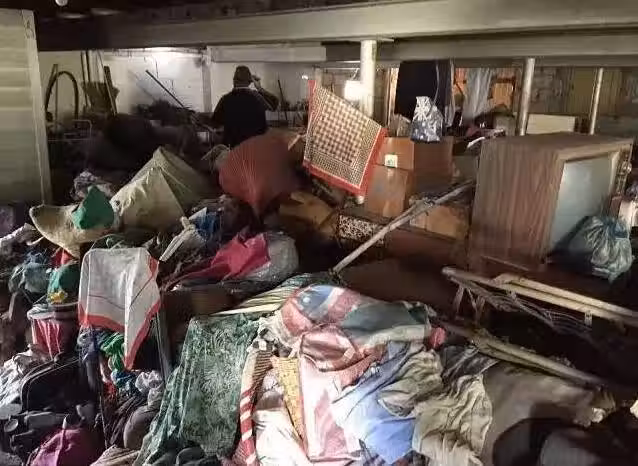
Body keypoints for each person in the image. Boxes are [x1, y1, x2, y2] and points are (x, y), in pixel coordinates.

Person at [211, 65, 279, 148]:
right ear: (249, 81)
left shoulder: (226, 99)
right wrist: (260, 88)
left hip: (235, 148)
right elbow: (274, 103)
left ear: (234, 81)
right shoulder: (258, 97)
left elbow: (215, 123)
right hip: (256, 147)